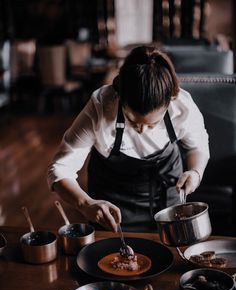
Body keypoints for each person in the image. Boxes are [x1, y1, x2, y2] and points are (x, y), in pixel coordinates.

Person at [48, 46, 209, 233]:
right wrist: (86, 204)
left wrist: (195, 172)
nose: (141, 130)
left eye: (152, 124)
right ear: (119, 96)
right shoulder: (100, 106)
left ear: (170, 101)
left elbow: (198, 146)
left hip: (167, 201)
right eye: (133, 121)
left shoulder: (182, 106)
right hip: (111, 205)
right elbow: (59, 169)